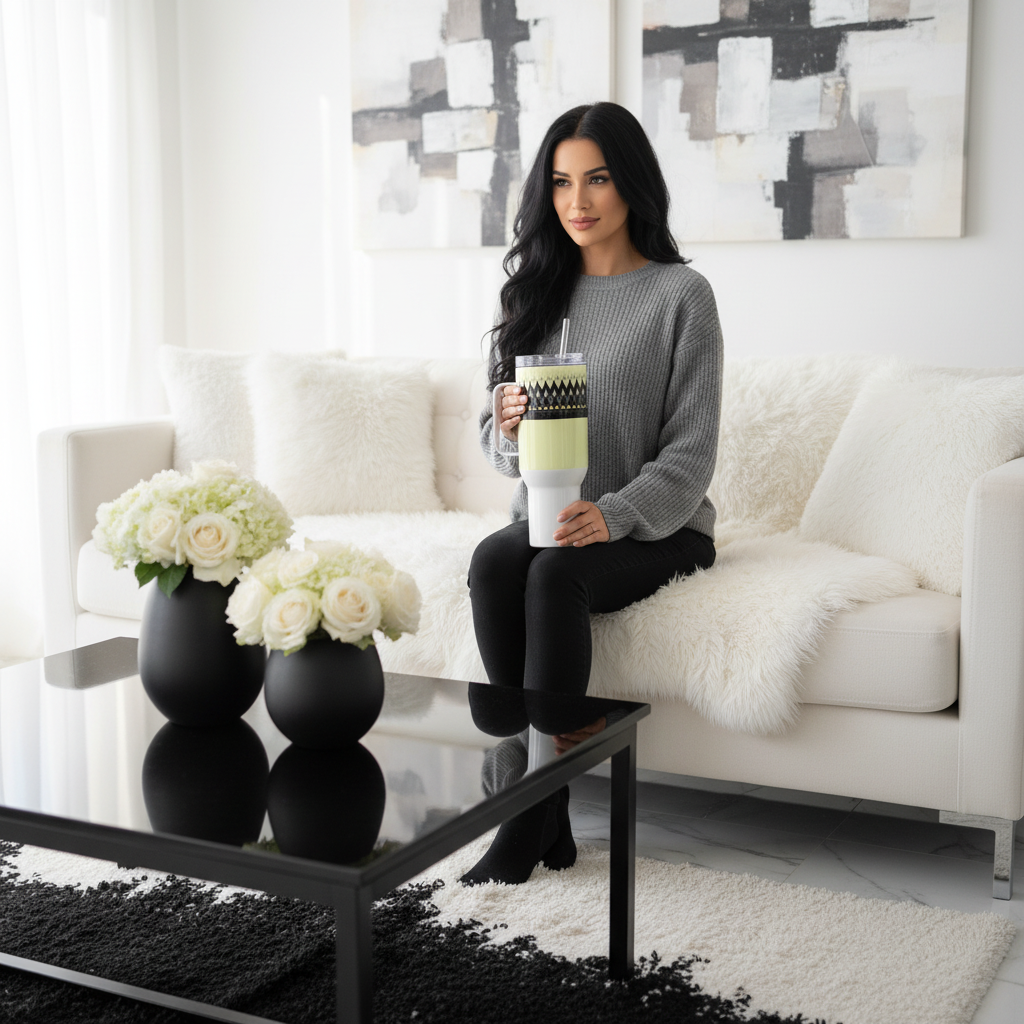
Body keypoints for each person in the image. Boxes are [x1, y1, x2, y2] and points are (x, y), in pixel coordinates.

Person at [461, 102, 723, 886]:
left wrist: (612, 515)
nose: (578, 202)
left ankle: (528, 816)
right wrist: (507, 422)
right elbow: (500, 450)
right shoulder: (536, 296)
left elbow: (692, 453)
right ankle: (538, 803)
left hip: (659, 523)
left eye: (598, 180)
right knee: (491, 562)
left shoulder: (682, 295)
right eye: (563, 183)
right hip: (548, 515)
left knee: (553, 573)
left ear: (631, 185)